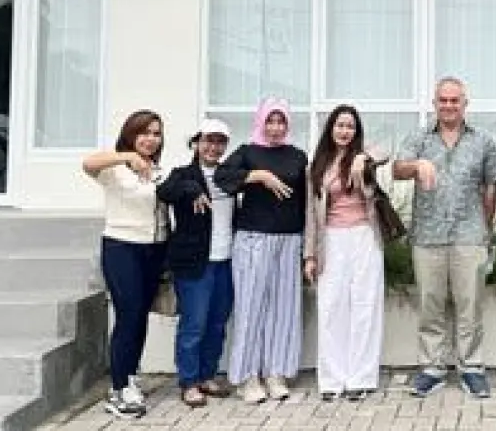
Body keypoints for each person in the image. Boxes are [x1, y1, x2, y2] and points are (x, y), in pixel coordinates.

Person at [393, 77, 496, 398]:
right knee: (430, 305)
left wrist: (485, 229)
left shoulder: (483, 141)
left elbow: (490, 186)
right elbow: (397, 169)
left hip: (470, 235)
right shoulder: (419, 137)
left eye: (455, 100)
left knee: (470, 306)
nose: (449, 106)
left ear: (465, 103)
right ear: (434, 103)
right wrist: (417, 165)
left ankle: (472, 368)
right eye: (443, 100)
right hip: (428, 236)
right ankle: (432, 369)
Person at [214, 98, 310, 404]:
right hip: (254, 238)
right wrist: (257, 176)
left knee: (284, 310)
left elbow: (305, 201)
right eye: (270, 121)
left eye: (281, 122)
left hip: (289, 239)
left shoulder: (297, 156)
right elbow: (222, 177)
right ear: (261, 122)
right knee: (251, 307)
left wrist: (307, 245)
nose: (276, 128)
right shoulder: (247, 152)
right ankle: (247, 376)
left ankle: (276, 372)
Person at [82, 110, 169, 420]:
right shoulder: (115, 169)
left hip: (154, 248)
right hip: (122, 247)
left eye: (156, 133)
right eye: (144, 132)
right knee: (128, 313)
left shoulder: (159, 170)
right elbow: (88, 163)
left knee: (140, 316)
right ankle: (118, 388)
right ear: (131, 135)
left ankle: (129, 375)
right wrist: (126, 157)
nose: (151, 139)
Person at [305, 105, 389, 402]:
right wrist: (310, 255)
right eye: (340, 125)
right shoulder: (317, 165)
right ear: (330, 128)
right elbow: (310, 214)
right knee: (331, 306)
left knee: (365, 305)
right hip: (331, 239)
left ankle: (360, 377)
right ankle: (332, 379)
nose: (344, 131)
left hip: (364, 235)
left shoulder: (363, 157)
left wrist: (363, 158)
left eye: (350, 126)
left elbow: (387, 150)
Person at [156, 118, 239, 408]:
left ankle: (207, 375)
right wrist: (192, 188)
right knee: (194, 324)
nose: (213, 147)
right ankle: (189, 381)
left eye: (220, 142)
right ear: (196, 143)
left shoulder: (230, 175)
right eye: (208, 140)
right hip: (195, 264)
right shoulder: (183, 174)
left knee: (217, 323)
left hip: (226, 260)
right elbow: (164, 192)